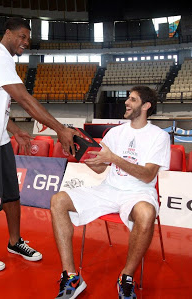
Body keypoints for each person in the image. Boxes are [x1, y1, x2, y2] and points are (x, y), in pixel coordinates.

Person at [0, 17, 78, 273]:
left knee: (11, 193)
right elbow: (23, 98)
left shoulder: (6, 61)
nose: (25, 42)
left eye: (28, 39)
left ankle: (14, 242)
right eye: (22, 36)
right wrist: (60, 129)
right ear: (8, 33)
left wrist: (14, 130)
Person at [51, 86, 170, 298]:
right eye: (128, 98)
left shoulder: (158, 136)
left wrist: (114, 158)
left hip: (138, 192)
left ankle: (126, 277)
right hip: (108, 189)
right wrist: (78, 153)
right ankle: (71, 276)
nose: (126, 102)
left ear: (146, 106)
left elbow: (148, 176)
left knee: (146, 213)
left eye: (132, 99)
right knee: (58, 200)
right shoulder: (115, 132)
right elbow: (100, 166)